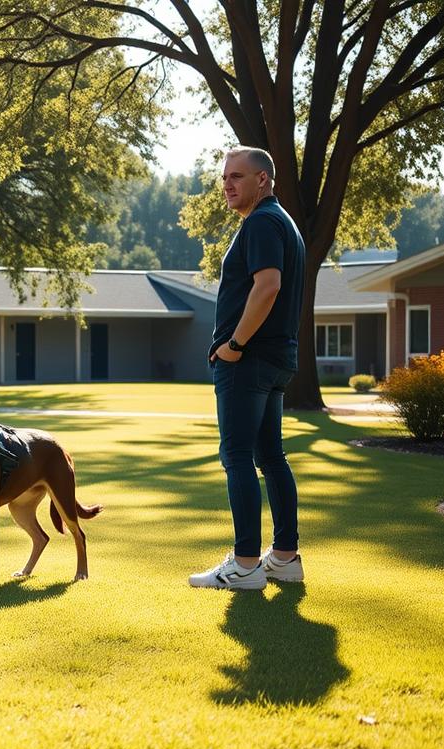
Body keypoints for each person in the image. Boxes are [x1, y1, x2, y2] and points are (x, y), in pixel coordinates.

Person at [189, 146, 306, 590]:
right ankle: (284, 558)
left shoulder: (261, 222)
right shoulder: (283, 222)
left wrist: (234, 345)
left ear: (263, 180)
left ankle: (245, 565)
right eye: (224, 177)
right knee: (270, 457)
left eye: (237, 176)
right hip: (274, 360)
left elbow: (268, 285)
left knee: (237, 456)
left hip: (250, 360)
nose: (227, 185)